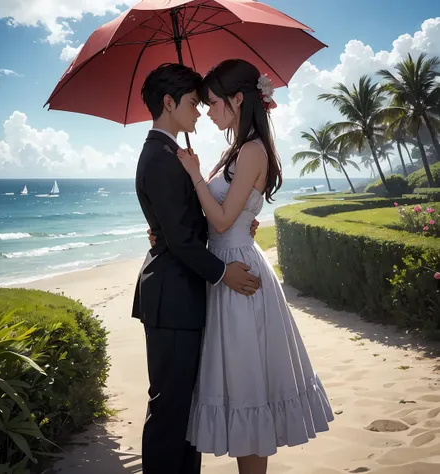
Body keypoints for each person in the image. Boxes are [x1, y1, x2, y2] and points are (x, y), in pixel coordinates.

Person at [151, 59, 334, 474]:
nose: (207, 111)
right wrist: (169, 230)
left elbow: (221, 219)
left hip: (237, 274)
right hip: (225, 266)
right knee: (237, 387)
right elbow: (220, 217)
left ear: (238, 100)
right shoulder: (234, 150)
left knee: (249, 387)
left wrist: (195, 174)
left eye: (213, 102)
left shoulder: (251, 150)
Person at [132, 63, 261, 474]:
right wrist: (224, 273)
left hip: (183, 295)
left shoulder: (173, 154)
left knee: (185, 412)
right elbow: (182, 239)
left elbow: (184, 226)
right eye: (191, 102)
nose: (199, 110)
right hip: (171, 299)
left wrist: (239, 221)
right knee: (170, 411)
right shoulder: (160, 157)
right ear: (168, 104)